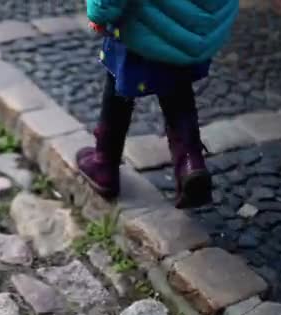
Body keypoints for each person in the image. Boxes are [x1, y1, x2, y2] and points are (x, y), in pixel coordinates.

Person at [77, 0, 239, 208]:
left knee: (117, 89)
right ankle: (190, 163)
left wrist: (99, 13)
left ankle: (104, 162)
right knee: (177, 88)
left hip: (141, 24)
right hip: (193, 28)